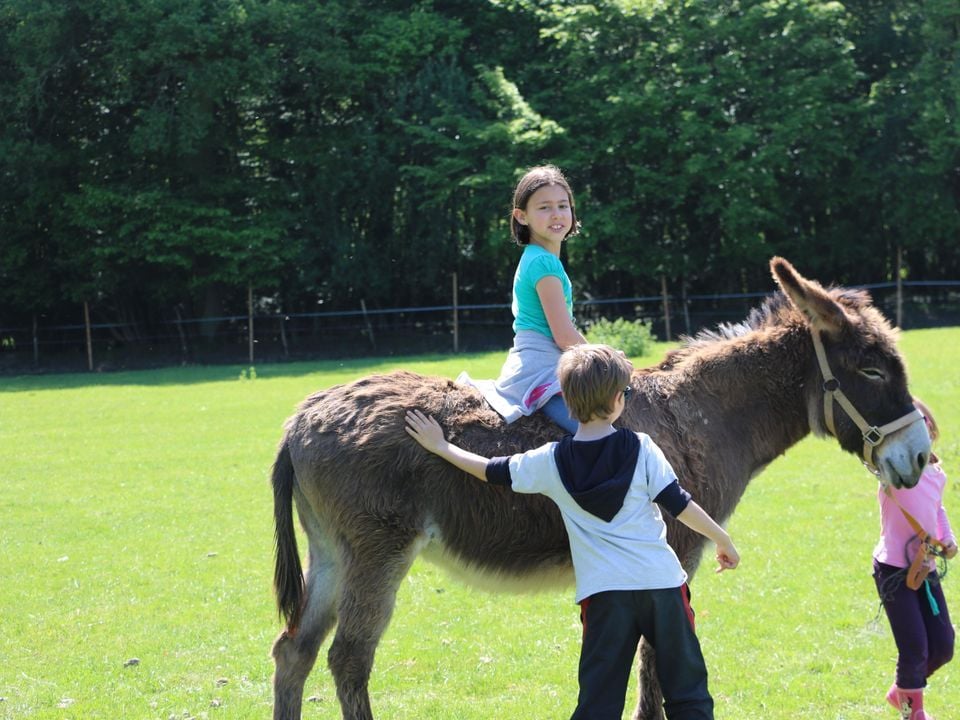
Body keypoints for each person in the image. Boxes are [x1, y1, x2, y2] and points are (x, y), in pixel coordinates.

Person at [407, 343, 740, 720]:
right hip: (662, 589)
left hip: (605, 598)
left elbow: (490, 470)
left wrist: (441, 446)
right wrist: (721, 538)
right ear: (618, 400)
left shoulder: (550, 461)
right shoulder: (643, 448)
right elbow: (680, 504)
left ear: (566, 401)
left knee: (597, 705)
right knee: (689, 696)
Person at [460, 165, 586, 433]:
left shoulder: (536, 257)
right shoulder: (543, 263)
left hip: (541, 359)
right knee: (597, 434)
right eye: (544, 207)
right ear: (521, 216)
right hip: (543, 366)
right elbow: (563, 336)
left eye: (563, 206)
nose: (557, 214)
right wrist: (606, 357)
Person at [873, 398, 956, 720]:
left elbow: (938, 509)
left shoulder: (937, 474)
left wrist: (947, 539)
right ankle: (913, 712)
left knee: (943, 646)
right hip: (893, 571)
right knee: (915, 649)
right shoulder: (892, 471)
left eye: (923, 425)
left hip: (924, 568)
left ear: (930, 430)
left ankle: (902, 692)